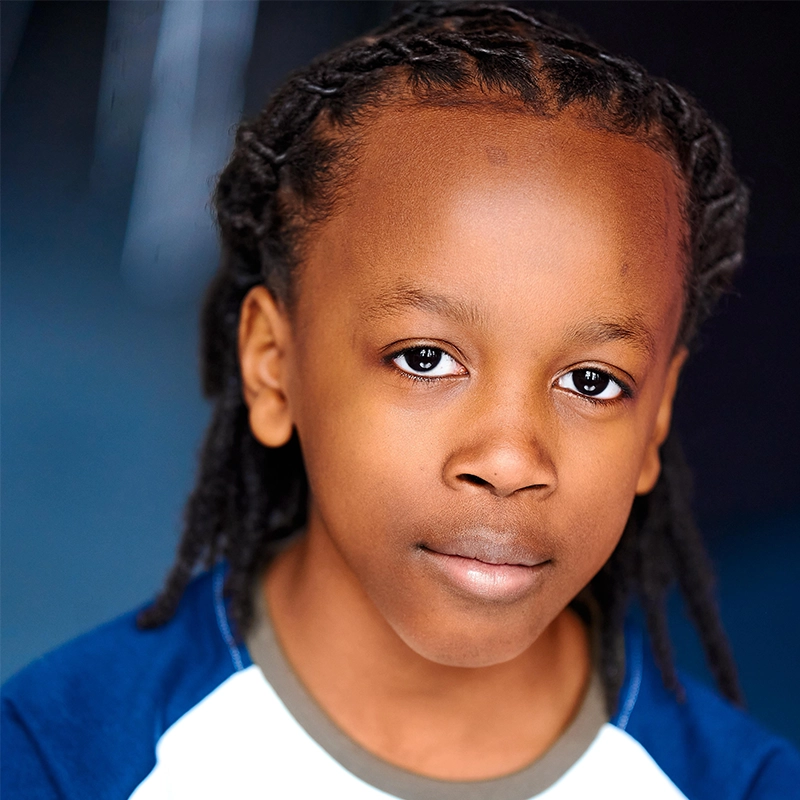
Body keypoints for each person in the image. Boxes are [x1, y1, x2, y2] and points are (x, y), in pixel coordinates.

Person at [2, 3, 798, 798]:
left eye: (592, 381)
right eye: (425, 359)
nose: (510, 459)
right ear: (274, 368)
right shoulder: (69, 758)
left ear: (656, 419)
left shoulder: (737, 785)